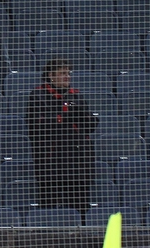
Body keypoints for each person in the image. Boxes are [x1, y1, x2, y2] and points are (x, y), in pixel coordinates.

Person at [27, 57, 98, 214]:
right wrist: (65, 117)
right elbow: (36, 125)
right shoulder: (38, 95)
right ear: (51, 75)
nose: (67, 76)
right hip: (51, 161)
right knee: (50, 205)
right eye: (62, 73)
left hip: (78, 160)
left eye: (68, 73)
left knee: (79, 203)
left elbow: (91, 123)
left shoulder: (76, 96)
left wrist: (72, 116)